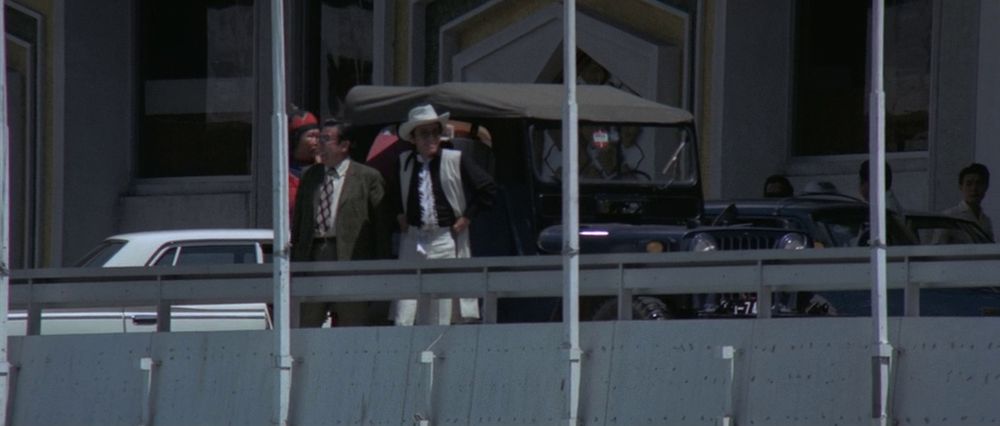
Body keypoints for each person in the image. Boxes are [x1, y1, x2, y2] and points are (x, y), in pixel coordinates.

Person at [389, 104, 497, 325]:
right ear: (413, 138)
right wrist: (399, 214)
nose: (431, 139)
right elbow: (392, 193)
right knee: (407, 305)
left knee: (442, 304)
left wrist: (467, 217)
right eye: (424, 134)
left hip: (444, 238)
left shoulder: (454, 159)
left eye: (435, 133)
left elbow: (487, 188)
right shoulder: (403, 162)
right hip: (414, 238)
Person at [291, 120, 392, 327]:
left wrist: (380, 268)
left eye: (326, 139)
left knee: (352, 321)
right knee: (306, 323)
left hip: (350, 257)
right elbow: (299, 223)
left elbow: (381, 228)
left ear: (344, 145)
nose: (319, 144)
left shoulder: (367, 177)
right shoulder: (310, 176)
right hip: (313, 256)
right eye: (319, 139)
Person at [943, 163, 994, 240]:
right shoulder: (949, 217)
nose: (974, 188)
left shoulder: (986, 221)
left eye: (978, 183)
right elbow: (938, 246)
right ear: (961, 187)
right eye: (969, 184)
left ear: (986, 186)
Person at [288, 109, 321, 217]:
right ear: (296, 140)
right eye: (311, 136)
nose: (316, 142)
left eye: (318, 137)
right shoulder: (284, 173)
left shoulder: (325, 167)